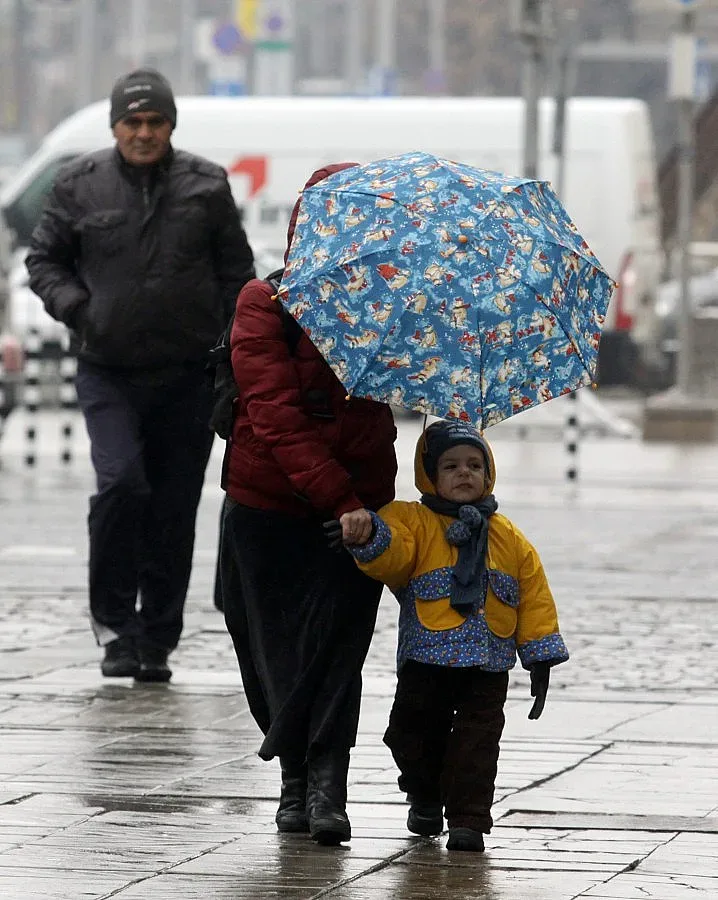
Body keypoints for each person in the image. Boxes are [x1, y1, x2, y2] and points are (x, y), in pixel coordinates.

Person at [25, 68, 256, 682]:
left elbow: (238, 273)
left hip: (187, 375)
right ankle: (113, 625)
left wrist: (233, 346)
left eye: (155, 121)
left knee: (175, 507)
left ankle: (155, 638)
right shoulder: (79, 184)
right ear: (115, 126)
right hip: (110, 370)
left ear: (171, 125)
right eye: (134, 121)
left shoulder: (206, 185)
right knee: (123, 485)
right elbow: (43, 258)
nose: (145, 132)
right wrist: (78, 306)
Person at [219, 163, 398, 847]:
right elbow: (273, 414)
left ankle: (327, 787)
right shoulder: (265, 302)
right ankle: (294, 777)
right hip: (268, 506)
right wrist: (340, 498)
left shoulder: (388, 302)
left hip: (360, 509)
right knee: (271, 652)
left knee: (337, 653)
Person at [341, 419, 569, 853]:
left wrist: (539, 652)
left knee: (477, 744)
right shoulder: (413, 519)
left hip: (487, 661)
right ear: (429, 474)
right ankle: (425, 793)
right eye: (450, 466)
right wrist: (371, 535)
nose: (464, 473)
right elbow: (393, 557)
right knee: (409, 734)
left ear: (489, 473)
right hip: (427, 656)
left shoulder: (508, 536)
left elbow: (533, 594)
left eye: (474, 465)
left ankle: (469, 819)